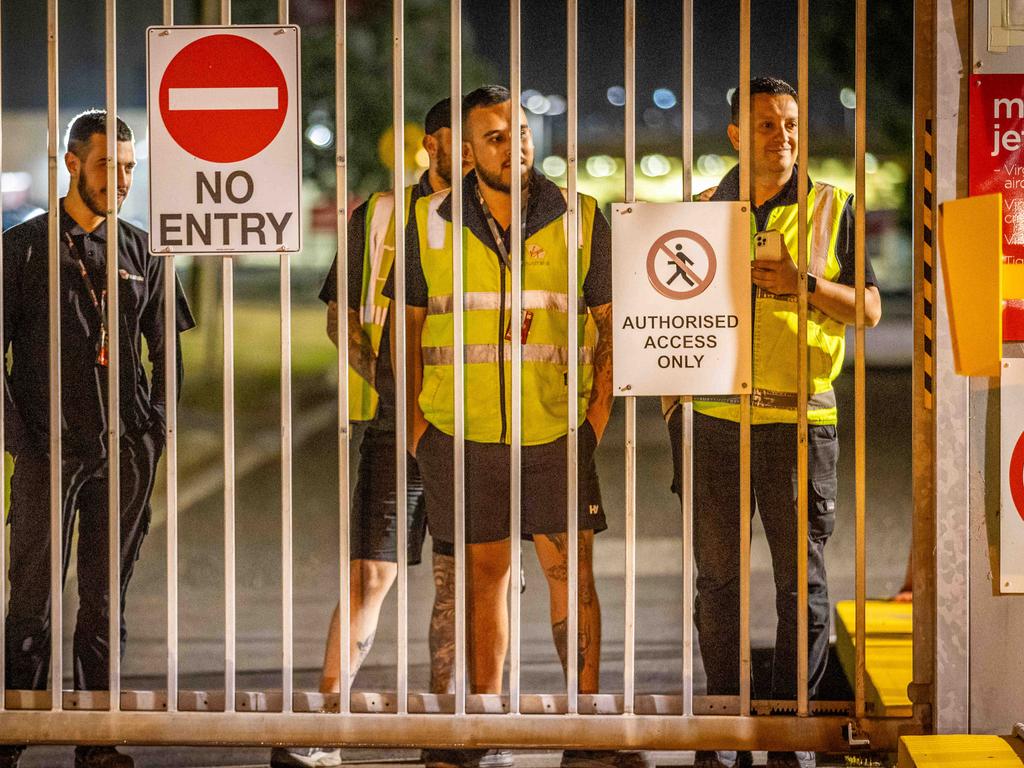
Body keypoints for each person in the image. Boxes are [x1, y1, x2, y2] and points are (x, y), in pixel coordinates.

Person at [394, 85, 645, 768]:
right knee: (485, 580)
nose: (515, 146)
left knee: (572, 576)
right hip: (460, 434)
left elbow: (609, 323)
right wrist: (419, 428)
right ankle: (481, 725)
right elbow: (407, 332)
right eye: (496, 137)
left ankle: (585, 728)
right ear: (467, 150)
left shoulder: (580, 215)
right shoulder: (428, 222)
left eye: (522, 133)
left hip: (555, 432)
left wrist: (594, 420)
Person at [271, 99, 510, 768]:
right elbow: (341, 322)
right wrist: (399, 394)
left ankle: (451, 733)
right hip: (396, 422)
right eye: (454, 141)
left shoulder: (502, 221)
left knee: (459, 579)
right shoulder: (379, 216)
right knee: (370, 573)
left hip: (479, 428)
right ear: (429, 144)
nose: (466, 153)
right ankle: (325, 725)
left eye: (476, 142)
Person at [664, 77, 882, 768]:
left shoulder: (830, 208)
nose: (781, 137)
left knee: (802, 586)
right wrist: (675, 405)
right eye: (765, 125)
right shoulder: (700, 211)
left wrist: (804, 286)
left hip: (798, 424)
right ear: (735, 135)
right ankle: (725, 729)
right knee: (718, 583)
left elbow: (870, 310)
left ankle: (793, 732)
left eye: (790, 125)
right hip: (715, 424)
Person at [1, 110, 195, 768]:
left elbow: (167, 351)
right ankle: (14, 730)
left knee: (105, 599)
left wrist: (159, 425)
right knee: (31, 598)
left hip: (128, 448)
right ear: (72, 164)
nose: (121, 179)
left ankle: (98, 734)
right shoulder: (23, 248)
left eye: (130, 167)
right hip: (46, 449)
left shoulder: (145, 250)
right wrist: (18, 436)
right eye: (108, 165)